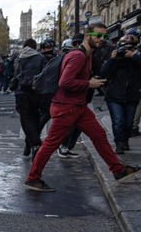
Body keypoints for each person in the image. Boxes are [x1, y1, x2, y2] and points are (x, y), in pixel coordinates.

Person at [25, 23, 140, 191]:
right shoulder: (78, 56)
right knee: (51, 143)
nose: (101, 40)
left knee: (99, 135)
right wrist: (89, 83)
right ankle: (33, 178)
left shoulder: (87, 55)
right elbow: (64, 82)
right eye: (98, 36)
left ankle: (118, 170)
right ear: (87, 35)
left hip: (77, 106)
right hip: (67, 107)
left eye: (104, 37)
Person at [101, 32, 141, 154]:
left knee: (129, 123)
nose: (126, 51)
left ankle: (125, 140)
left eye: (130, 48)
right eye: (125, 48)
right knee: (118, 121)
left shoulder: (137, 60)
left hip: (132, 96)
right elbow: (103, 73)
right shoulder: (115, 59)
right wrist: (112, 60)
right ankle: (119, 143)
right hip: (114, 96)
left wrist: (134, 56)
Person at [13, 38, 48, 158]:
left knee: (26, 119)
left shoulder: (19, 58)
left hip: (20, 92)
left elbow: (15, 74)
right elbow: (44, 75)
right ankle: (33, 144)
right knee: (35, 118)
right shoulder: (40, 58)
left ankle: (33, 144)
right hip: (35, 91)